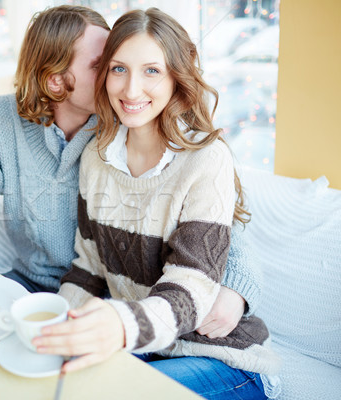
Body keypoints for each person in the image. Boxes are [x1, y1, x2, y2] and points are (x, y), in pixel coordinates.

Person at [0, 5, 259, 339]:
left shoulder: (127, 122)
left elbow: (208, 212)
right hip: (35, 285)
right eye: (107, 66)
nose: (124, 81)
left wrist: (237, 288)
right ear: (56, 81)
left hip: (108, 299)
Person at [33, 8, 280, 399]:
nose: (131, 90)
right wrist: (57, 330)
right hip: (145, 347)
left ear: (176, 79)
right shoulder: (96, 157)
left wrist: (120, 324)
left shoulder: (206, 159)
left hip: (220, 358)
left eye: (152, 71)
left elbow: (191, 288)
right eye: (118, 69)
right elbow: (89, 268)